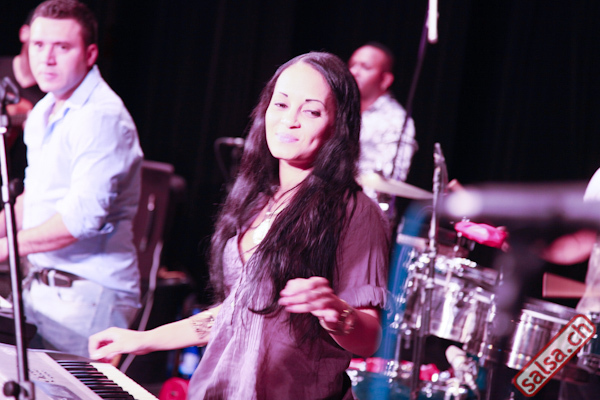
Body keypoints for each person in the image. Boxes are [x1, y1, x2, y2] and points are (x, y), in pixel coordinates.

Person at [89, 52, 389, 399]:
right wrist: (142, 340)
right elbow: (236, 314)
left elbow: (369, 338)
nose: (289, 121)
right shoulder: (258, 199)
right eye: (281, 104)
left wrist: (337, 313)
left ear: (338, 125)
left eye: (311, 111)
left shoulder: (355, 211)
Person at [0, 0, 143, 358]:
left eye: (62, 47)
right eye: (38, 45)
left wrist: (4, 247)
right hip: (43, 286)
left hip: (88, 296)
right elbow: (34, 198)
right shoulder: (43, 111)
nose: (46, 59)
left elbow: (81, 219)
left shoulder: (101, 117)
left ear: (90, 54)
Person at [348, 42, 417, 224]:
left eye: (365, 67)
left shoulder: (396, 119)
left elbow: (391, 178)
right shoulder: (338, 107)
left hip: (363, 213)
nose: (354, 72)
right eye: (352, 65)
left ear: (385, 80)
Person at [0, 10, 45, 188]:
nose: (46, 53)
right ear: (24, 33)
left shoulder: (52, 97)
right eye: (39, 43)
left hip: (18, 187)